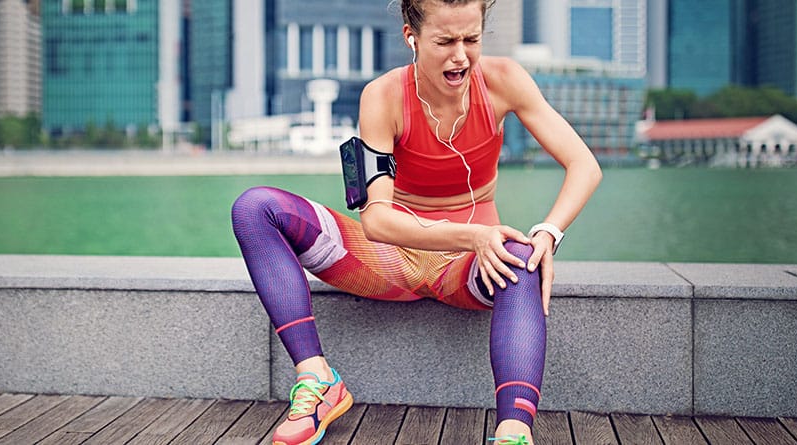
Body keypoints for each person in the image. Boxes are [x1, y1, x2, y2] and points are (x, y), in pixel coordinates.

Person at [231, 0, 602, 443]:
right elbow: (377, 222)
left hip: (465, 270)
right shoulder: (382, 96)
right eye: (445, 42)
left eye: (471, 40)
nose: (460, 56)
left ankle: (513, 433)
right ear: (412, 37)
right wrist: (474, 234)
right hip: (387, 261)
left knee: (523, 258)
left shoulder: (505, 81)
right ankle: (318, 381)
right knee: (255, 208)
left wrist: (549, 231)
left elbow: (584, 164)